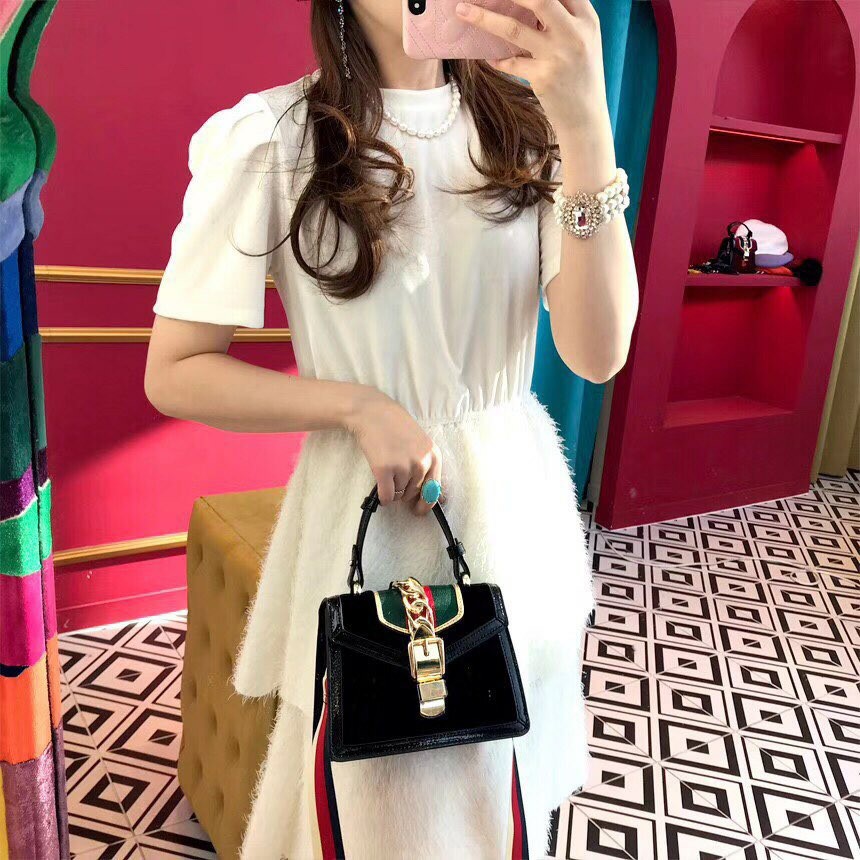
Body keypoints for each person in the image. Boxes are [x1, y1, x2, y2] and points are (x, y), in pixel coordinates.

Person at [144, 0, 638, 854]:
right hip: (369, 522)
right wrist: (357, 406)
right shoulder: (274, 138)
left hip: (519, 522)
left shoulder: (533, 131)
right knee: (375, 816)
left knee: (509, 802)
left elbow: (598, 354)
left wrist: (588, 126)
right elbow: (176, 368)